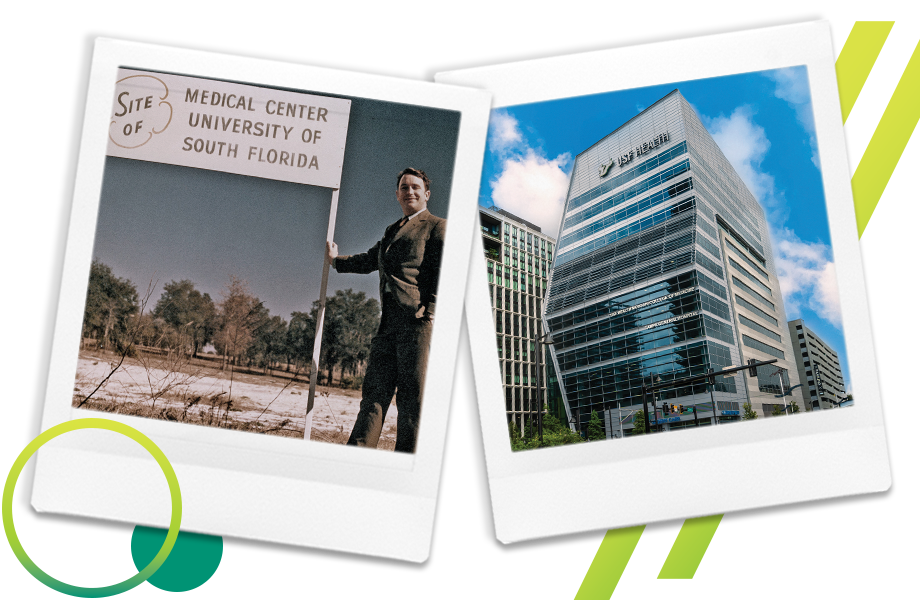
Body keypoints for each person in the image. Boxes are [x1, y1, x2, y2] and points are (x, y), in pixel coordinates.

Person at [326, 168, 446, 453]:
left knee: (411, 400)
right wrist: (335, 261)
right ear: (397, 194)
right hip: (387, 325)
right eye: (404, 187)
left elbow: (444, 268)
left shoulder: (437, 226)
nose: (409, 191)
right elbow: (370, 259)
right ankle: (357, 455)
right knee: (373, 395)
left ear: (427, 194)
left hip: (416, 323)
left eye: (415, 187)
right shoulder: (392, 230)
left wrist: (431, 309)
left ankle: (406, 460)